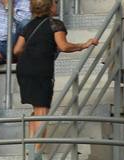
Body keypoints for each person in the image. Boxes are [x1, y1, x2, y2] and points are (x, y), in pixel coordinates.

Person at [12, 0, 95, 135]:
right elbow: (64, 46)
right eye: (55, 3)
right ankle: (36, 150)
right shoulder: (55, 24)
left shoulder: (27, 26)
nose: (56, 5)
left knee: (37, 109)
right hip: (41, 69)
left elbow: (16, 50)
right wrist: (83, 45)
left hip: (24, 68)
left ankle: (31, 147)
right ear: (50, 7)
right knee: (42, 110)